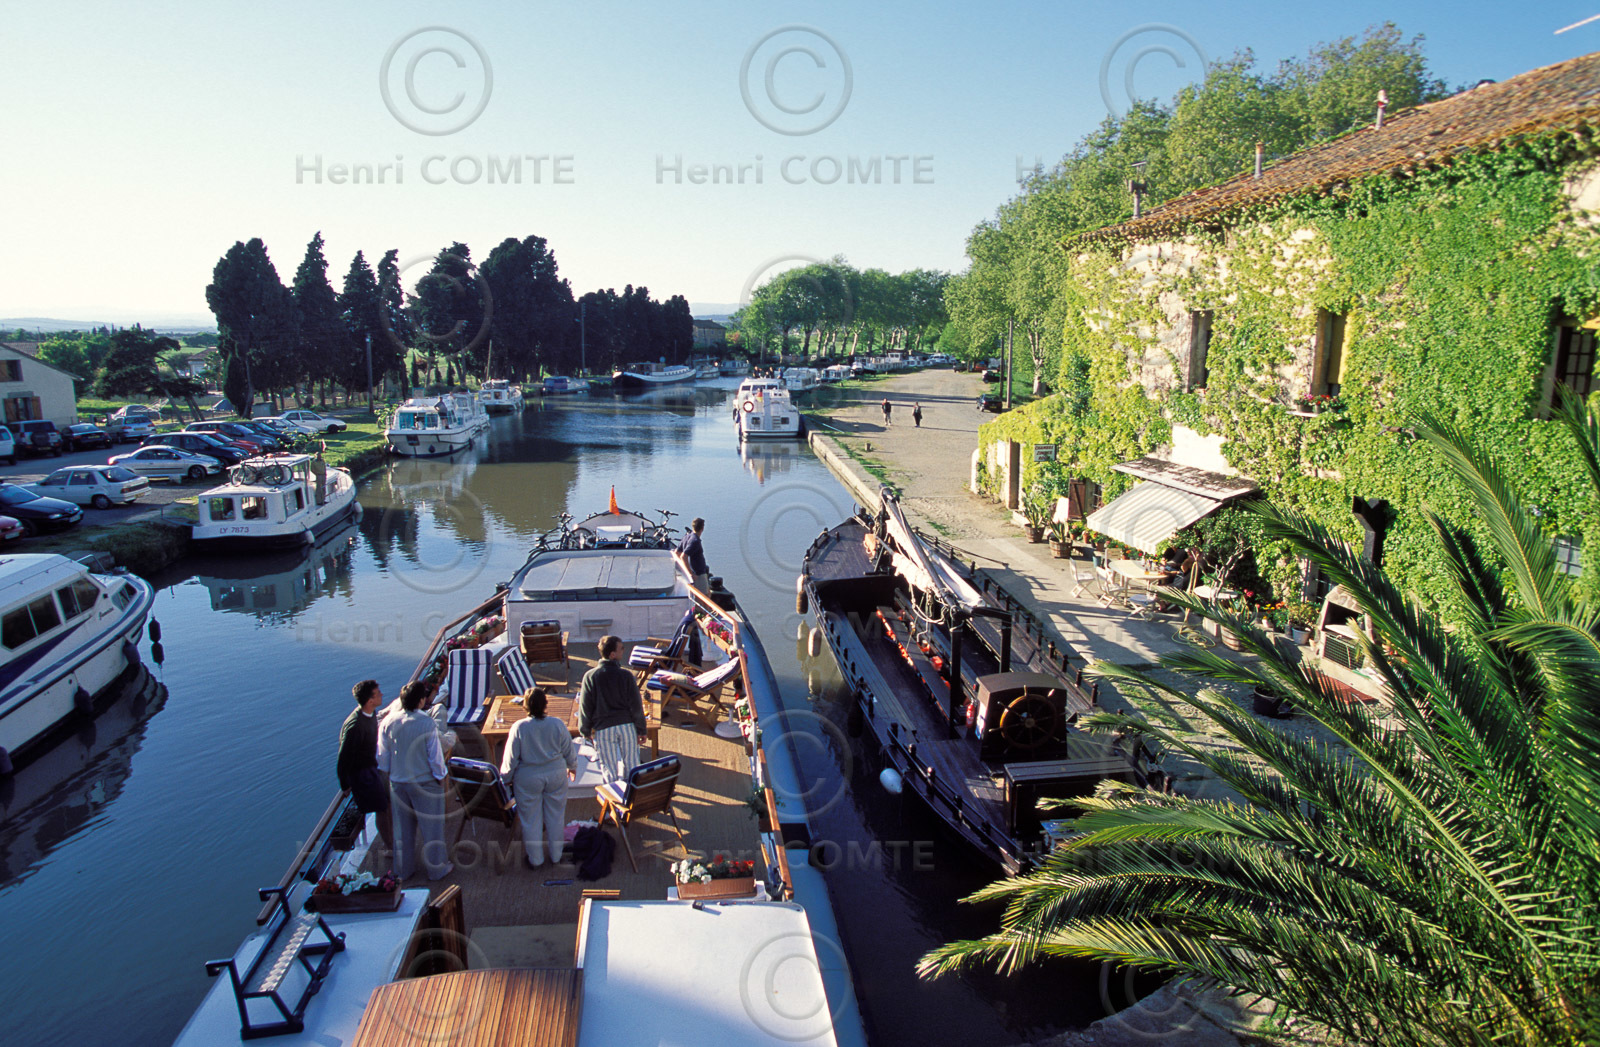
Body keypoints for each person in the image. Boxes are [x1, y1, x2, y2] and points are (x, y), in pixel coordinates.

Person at [377, 681, 454, 881]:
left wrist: (390, 777)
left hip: (398, 782)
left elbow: (383, 757)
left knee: (402, 830)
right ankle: (437, 869)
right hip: (424, 782)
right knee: (432, 829)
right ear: (421, 700)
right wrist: (441, 777)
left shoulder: (388, 721)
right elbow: (435, 757)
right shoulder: (426, 722)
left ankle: (403, 870)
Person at [501, 688, 578, 868]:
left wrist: (506, 778)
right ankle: (556, 855)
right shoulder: (557, 724)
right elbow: (569, 750)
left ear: (525, 706)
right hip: (556, 774)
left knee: (530, 819)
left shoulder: (519, 728)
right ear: (545, 704)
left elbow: (510, 760)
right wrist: (572, 767)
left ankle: (536, 859)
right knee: (556, 816)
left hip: (528, 778)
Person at [336, 680, 394, 861]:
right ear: (370, 700)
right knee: (382, 809)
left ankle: (392, 841)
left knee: (388, 803)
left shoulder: (370, 713)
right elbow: (343, 758)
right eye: (378, 693)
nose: (382, 695)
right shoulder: (355, 726)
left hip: (372, 768)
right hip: (362, 775)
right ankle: (391, 848)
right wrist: (345, 784)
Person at [580, 634, 648, 784]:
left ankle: (615, 801)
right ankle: (633, 800)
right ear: (612, 654)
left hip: (603, 729)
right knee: (632, 766)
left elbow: (586, 707)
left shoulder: (590, 676)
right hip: (626, 726)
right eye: (621, 648)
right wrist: (641, 729)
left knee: (609, 769)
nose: (624, 651)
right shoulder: (626, 676)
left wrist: (585, 730)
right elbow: (636, 705)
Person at [678, 517, 710, 591]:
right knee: (703, 597)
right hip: (698, 574)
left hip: (698, 572)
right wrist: (690, 573)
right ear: (702, 528)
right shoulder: (695, 541)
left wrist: (683, 569)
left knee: (708, 593)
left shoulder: (687, 537)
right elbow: (683, 556)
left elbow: (677, 552)